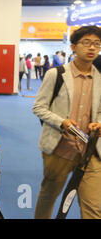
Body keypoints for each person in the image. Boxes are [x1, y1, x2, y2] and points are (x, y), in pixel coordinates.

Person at [32, 26, 101, 219]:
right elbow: (39, 107)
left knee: (94, 207)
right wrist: (61, 122)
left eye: (96, 44)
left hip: (91, 151)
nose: (92, 48)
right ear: (73, 47)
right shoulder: (56, 75)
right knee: (48, 197)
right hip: (60, 149)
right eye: (86, 43)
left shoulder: (100, 78)